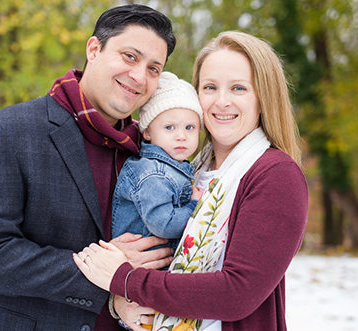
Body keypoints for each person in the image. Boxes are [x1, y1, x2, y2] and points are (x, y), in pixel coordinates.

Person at [0, 4, 178, 330]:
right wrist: (104, 271)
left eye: (153, 69)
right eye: (130, 56)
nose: (139, 76)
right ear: (94, 49)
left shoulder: (148, 153)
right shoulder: (9, 131)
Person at [73, 30, 308, 331]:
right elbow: (160, 265)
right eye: (210, 87)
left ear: (264, 97)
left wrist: (124, 279)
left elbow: (237, 293)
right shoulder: (188, 169)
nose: (221, 101)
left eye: (238, 88)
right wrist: (121, 303)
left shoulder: (275, 174)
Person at [111, 71, 204, 252]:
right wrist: (194, 205)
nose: (181, 136)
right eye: (169, 127)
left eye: (190, 127)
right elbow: (164, 224)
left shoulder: (172, 167)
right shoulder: (153, 174)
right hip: (145, 265)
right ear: (147, 132)